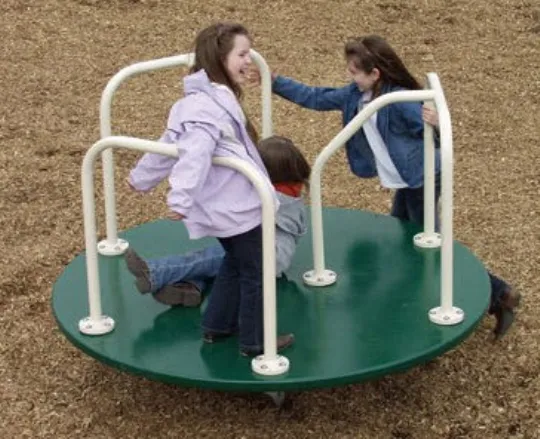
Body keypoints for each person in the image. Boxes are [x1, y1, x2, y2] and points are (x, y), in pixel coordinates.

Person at [267, 34, 520, 338]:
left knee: (429, 244)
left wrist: (437, 124)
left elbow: (436, 136)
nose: (350, 76)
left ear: (375, 74)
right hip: (408, 179)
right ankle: (430, 292)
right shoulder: (355, 96)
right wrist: (276, 81)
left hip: (422, 178)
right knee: (406, 239)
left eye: (354, 71)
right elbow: (317, 97)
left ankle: (499, 292)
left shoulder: (398, 101)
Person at [127, 22, 293, 357]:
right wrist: (180, 197)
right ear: (220, 58)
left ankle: (217, 326)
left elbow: (168, 146)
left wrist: (140, 178)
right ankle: (256, 342)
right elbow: (194, 152)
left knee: (233, 261)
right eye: (242, 54)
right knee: (256, 272)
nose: (249, 60)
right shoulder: (205, 106)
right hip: (235, 207)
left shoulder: (202, 98)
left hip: (228, 204)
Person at [124, 135, 310, 310]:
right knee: (218, 263)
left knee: (212, 257)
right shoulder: (284, 189)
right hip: (266, 252)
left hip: (269, 258)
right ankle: (189, 288)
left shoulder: (276, 196)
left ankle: (155, 272)